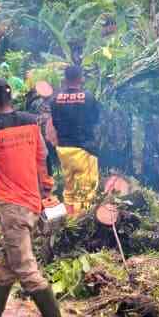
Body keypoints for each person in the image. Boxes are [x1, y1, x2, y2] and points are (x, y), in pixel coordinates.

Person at [0, 78, 67, 317]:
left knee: (26, 269)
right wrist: (46, 187)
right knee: (6, 263)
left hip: (13, 207)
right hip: (33, 202)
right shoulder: (30, 120)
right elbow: (41, 157)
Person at [50, 65, 101, 215]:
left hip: (64, 149)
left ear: (65, 79)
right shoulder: (89, 97)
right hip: (84, 149)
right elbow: (95, 119)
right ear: (81, 78)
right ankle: (81, 226)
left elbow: (55, 122)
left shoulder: (55, 99)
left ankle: (69, 224)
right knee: (85, 193)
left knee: (69, 190)